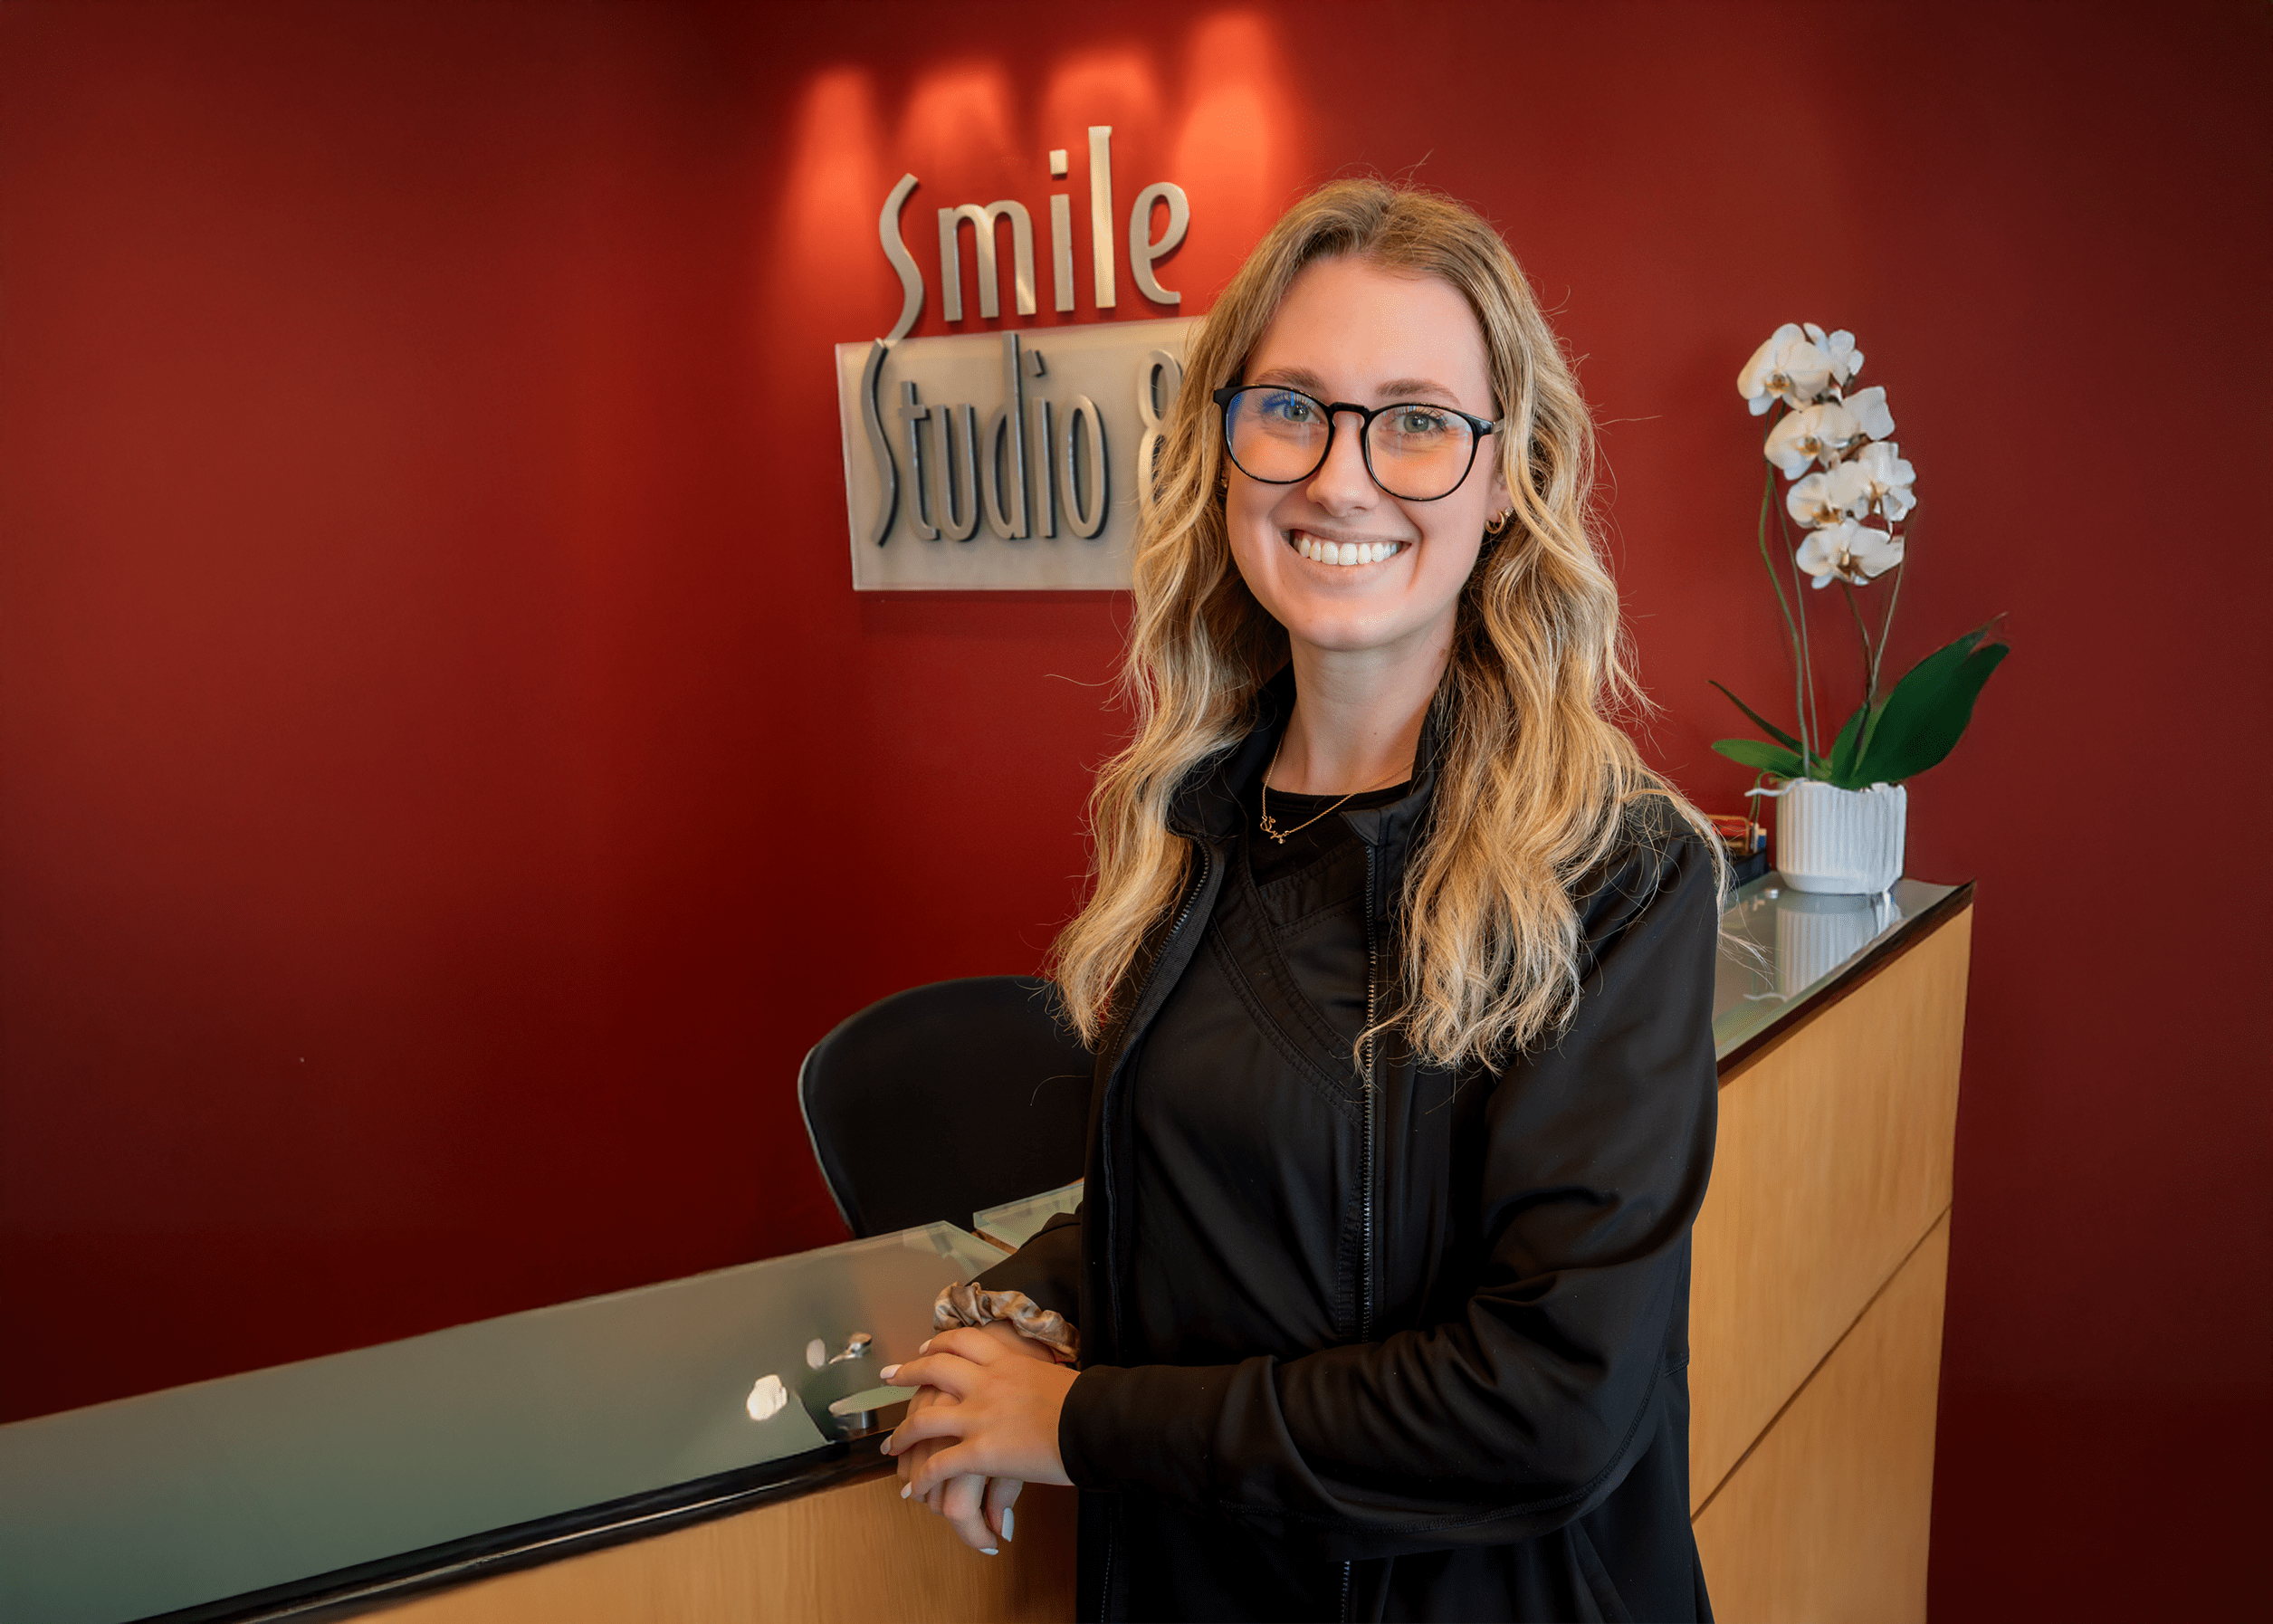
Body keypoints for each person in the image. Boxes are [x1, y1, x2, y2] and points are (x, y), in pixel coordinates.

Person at [880, 178, 1724, 1623]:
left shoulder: (1618, 868)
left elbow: (1545, 1402)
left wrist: (1073, 1424)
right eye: (1292, 408)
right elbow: (1243, 1186)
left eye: (1414, 421)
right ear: (1221, 448)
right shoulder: (1189, 813)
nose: (1340, 478)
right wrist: (1042, 1294)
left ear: (1504, 474)